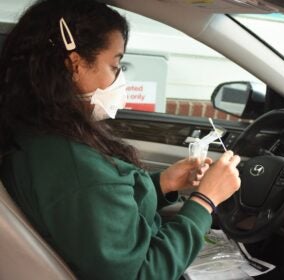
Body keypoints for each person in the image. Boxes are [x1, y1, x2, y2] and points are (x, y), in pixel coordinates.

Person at [0, 0, 241, 279]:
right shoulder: (77, 166)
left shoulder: (39, 133)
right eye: (116, 65)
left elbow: (98, 213)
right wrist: (205, 201)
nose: (120, 79)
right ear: (75, 64)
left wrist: (163, 184)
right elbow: (143, 274)